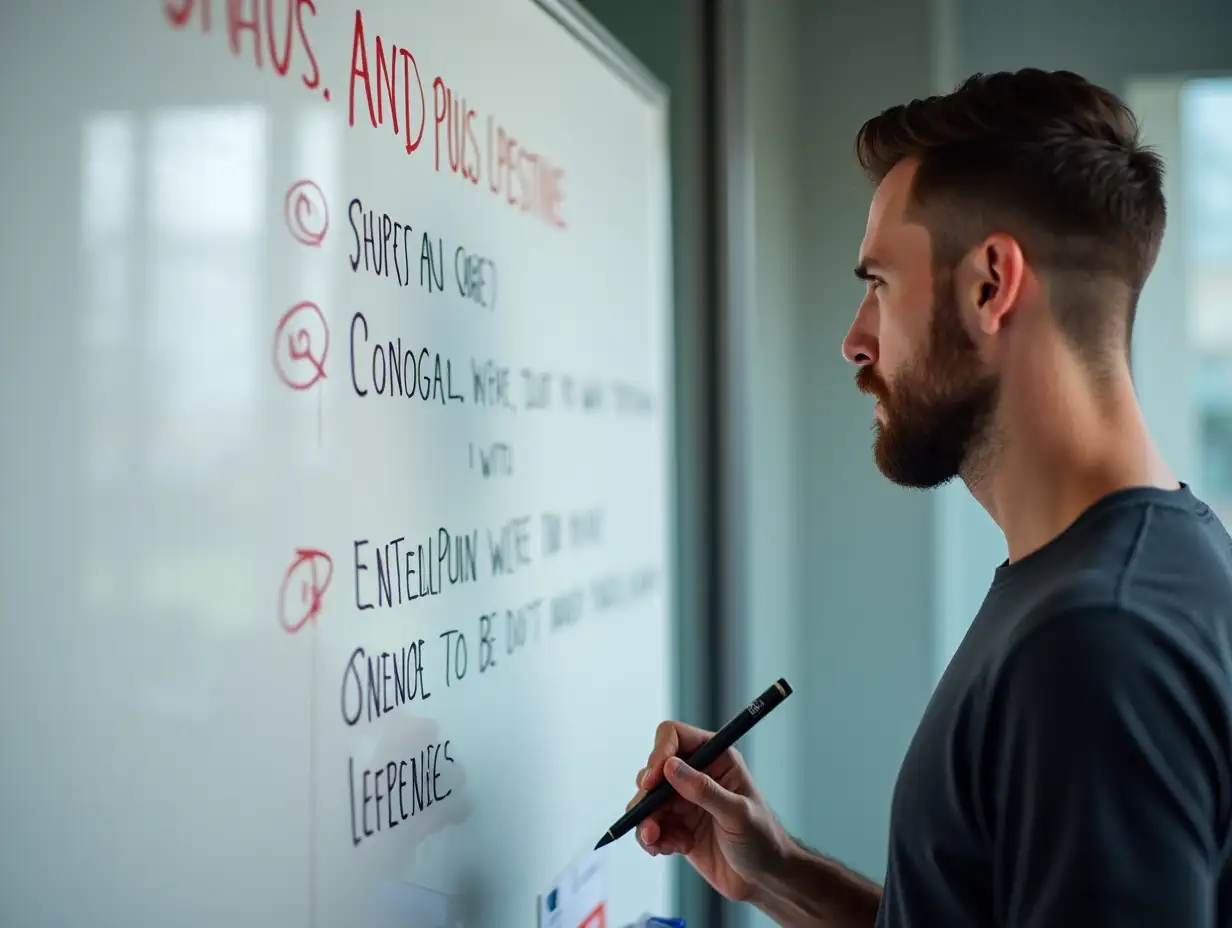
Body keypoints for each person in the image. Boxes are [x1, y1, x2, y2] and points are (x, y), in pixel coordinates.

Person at [628, 68, 1232, 926]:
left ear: (991, 284)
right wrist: (778, 873)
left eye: (878, 283)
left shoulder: (1098, 642)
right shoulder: (1140, 567)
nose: (854, 340)